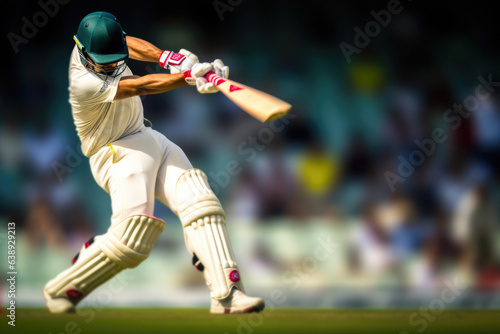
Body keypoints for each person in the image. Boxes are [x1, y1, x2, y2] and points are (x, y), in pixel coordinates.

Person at [43, 11, 264, 314]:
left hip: (146, 136)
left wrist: (170, 58)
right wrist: (188, 76)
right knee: (133, 240)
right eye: (101, 60)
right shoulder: (84, 81)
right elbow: (140, 86)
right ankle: (60, 290)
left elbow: (129, 44)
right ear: (81, 50)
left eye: (112, 57)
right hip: (114, 151)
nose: (108, 65)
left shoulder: (100, 45)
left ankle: (228, 294)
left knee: (201, 202)